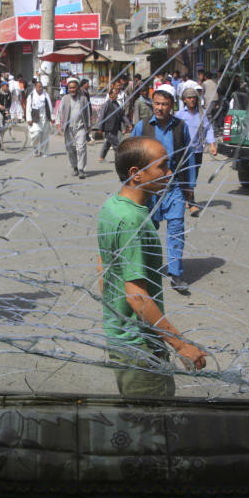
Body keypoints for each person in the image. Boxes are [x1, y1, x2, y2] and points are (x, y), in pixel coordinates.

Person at [97, 136, 209, 397]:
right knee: (153, 427)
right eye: (162, 166)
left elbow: (104, 267)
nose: (169, 173)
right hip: (140, 349)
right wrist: (181, 346)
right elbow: (136, 295)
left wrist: (118, 321)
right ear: (136, 174)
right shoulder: (134, 220)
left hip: (120, 336)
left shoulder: (112, 207)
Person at [131, 88, 193, 292]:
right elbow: (131, 152)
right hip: (149, 189)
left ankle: (175, 274)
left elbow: (188, 156)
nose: (160, 108)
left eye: (164, 104)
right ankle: (144, 271)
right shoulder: (143, 127)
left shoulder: (180, 127)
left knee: (176, 228)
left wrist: (189, 187)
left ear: (171, 106)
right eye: (156, 104)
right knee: (148, 230)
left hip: (174, 187)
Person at [175, 87, 217, 216]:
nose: (191, 100)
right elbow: (175, 132)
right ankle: (191, 202)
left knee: (194, 175)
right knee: (186, 175)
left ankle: (187, 197)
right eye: (189, 98)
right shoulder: (180, 115)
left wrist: (212, 144)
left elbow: (208, 129)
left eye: (193, 97)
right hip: (184, 151)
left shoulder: (201, 113)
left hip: (197, 150)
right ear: (184, 100)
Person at [58, 78, 90, 178]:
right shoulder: (65, 98)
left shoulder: (83, 98)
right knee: (70, 149)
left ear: (77, 88)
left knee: (81, 148)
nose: (72, 89)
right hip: (69, 128)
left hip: (80, 127)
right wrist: (59, 124)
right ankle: (75, 167)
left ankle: (81, 169)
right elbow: (59, 112)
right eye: (70, 88)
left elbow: (87, 112)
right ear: (68, 88)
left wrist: (88, 125)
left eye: (74, 87)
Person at [99, 80, 131, 163]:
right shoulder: (106, 104)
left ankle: (101, 157)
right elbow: (102, 116)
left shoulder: (117, 104)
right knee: (116, 143)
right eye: (115, 94)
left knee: (108, 143)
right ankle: (120, 158)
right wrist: (100, 127)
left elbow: (122, 116)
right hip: (108, 127)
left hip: (115, 127)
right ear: (110, 95)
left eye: (117, 94)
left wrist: (128, 124)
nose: (117, 95)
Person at [26, 79, 53, 157]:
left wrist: (52, 116)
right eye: (39, 87)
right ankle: (35, 147)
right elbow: (28, 108)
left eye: (42, 87)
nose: (41, 88)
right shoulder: (31, 96)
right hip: (35, 117)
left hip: (45, 116)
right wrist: (29, 119)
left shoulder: (46, 95)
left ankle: (43, 151)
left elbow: (49, 106)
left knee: (45, 135)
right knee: (36, 134)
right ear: (35, 87)